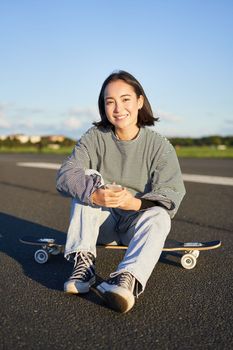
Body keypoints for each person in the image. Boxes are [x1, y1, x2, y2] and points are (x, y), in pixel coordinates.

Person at [56, 70, 186, 313]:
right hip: (101, 223)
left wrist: (134, 203)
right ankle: (84, 267)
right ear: (103, 106)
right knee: (88, 181)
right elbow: (65, 175)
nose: (118, 108)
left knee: (160, 216)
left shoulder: (160, 146)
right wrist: (96, 195)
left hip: (134, 227)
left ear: (139, 101)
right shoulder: (94, 137)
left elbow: (171, 196)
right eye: (110, 101)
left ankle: (127, 280)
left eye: (125, 99)